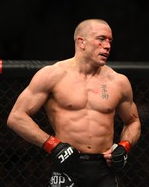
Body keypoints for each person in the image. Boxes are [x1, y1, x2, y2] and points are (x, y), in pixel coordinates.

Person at [7, 19, 141, 187]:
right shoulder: (53, 75)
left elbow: (133, 121)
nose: (107, 46)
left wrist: (124, 146)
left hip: (105, 171)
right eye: (101, 39)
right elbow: (16, 117)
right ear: (81, 42)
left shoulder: (118, 81)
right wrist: (53, 146)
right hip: (68, 167)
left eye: (110, 41)